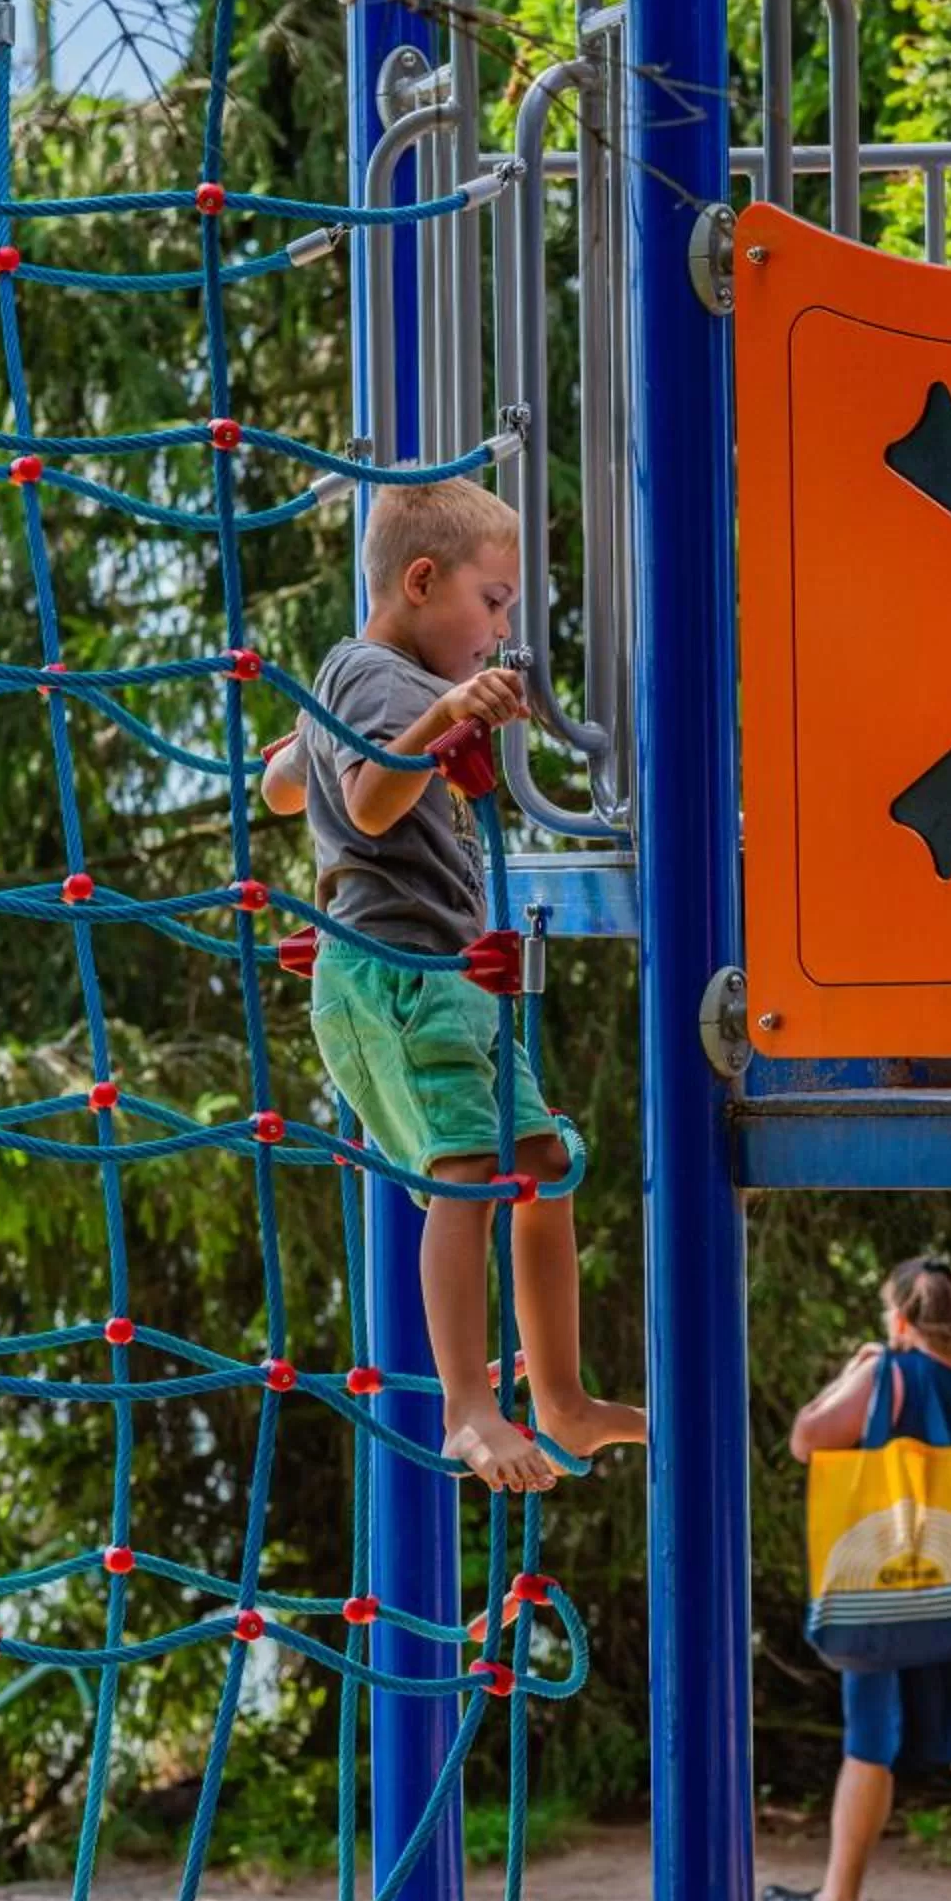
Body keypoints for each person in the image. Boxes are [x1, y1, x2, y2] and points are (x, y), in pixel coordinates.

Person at [263, 476, 644, 1485]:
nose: (503, 625)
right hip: (396, 973)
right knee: (467, 1173)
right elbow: (374, 800)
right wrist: (439, 716)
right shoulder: (386, 680)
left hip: (446, 973)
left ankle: (559, 1395)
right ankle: (470, 1407)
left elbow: (286, 780)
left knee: (543, 1163)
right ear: (422, 581)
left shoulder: (355, 680)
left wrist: (296, 759)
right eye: (494, 600)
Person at [763, 1257, 951, 1901]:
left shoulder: (888, 1373)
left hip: (892, 1594)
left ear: (898, 1318)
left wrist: (856, 1366)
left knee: (870, 1747)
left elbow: (808, 1438)